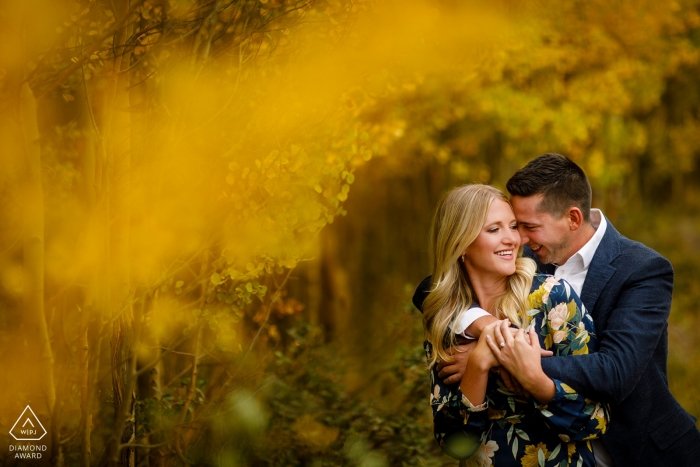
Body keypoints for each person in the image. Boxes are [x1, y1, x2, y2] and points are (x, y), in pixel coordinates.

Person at [416, 154, 700, 466]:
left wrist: (502, 358)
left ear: (573, 219)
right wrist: (485, 326)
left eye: (527, 226)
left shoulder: (642, 269)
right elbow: (438, 285)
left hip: (639, 450)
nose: (518, 238)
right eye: (512, 226)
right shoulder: (524, 253)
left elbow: (617, 371)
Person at [423, 184, 608, 466]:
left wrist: (528, 376)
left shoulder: (553, 299)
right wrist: (478, 364)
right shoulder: (447, 322)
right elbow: (455, 445)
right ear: (461, 244)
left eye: (513, 226)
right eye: (494, 229)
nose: (512, 239)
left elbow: (594, 421)